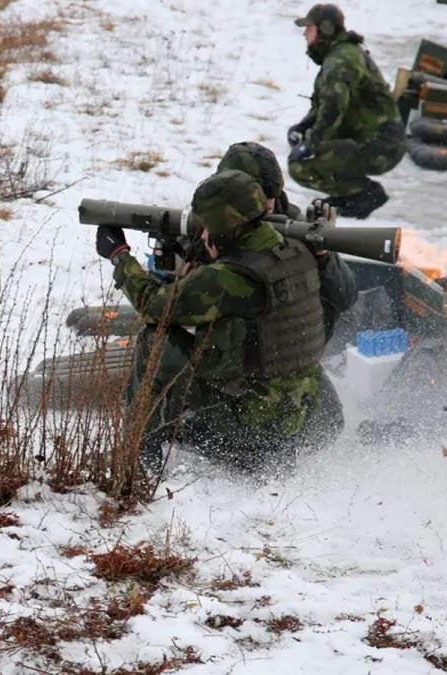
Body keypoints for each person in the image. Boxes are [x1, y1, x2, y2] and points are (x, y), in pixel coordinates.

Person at [96, 170, 343, 472]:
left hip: (254, 427)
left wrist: (120, 256)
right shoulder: (298, 252)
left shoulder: (229, 277)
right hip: (307, 415)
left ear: (227, 227)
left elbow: (155, 306)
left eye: (206, 227)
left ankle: (136, 455)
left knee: (156, 338)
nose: (202, 236)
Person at [218, 141, 358, 339]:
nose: (267, 205)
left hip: (287, 348)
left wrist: (323, 254)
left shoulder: (292, 224)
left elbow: (345, 298)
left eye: (270, 195)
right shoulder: (209, 219)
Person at [287, 3, 405, 219]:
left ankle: (363, 194)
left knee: (300, 165)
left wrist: (311, 144)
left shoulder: (340, 61)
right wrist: (304, 127)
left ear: (325, 30)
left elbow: (333, 108)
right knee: (309, 153)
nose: (305, 34)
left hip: (379, 146)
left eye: (309, 28)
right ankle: (347, 193)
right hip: (376, 139)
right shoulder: (341, 55)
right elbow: (324, 105)